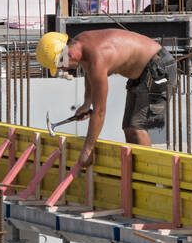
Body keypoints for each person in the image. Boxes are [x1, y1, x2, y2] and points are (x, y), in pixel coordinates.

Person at [35, 29, 176, 166]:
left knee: (137, 127)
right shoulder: (81, 44)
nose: (64, 70)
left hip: (158, 67)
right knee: (129, 127)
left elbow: (100, 112)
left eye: (61, 65)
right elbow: (88, 73)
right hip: (144, 71)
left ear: (68, 54)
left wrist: (88, 150)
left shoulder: (97, 59)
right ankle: (135, 175)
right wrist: (86, 102)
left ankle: (147, 176)